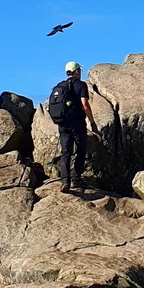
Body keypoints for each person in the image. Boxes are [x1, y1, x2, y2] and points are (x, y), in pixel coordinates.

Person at [49, 61, 98, 192]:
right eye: (80, 71)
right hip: (76, 122)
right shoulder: (81, 85)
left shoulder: (60, 86)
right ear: (76, 71)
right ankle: (76, 177)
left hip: (63, 123)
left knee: (66, 152)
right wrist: (93, 123)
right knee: (81, 149)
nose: (80, 73)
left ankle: (65, 181)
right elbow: (85, 105)